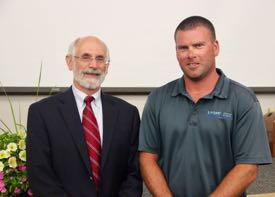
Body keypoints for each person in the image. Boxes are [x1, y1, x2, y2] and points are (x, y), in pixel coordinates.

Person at [138, 16, 272, 197]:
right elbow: (147, 158)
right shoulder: (157, 99)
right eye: (183, 48)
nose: (190, 54)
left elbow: (248, 168)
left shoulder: (244, 100)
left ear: (215, 48)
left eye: (199, 45)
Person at [26, 35, 142, 197]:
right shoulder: (42, 113)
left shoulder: (128, 114)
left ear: (107, 67)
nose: (93, 65)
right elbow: (40, 174)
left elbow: (134, 173)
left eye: (100, 59)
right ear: (69, 62)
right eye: (85, 57)